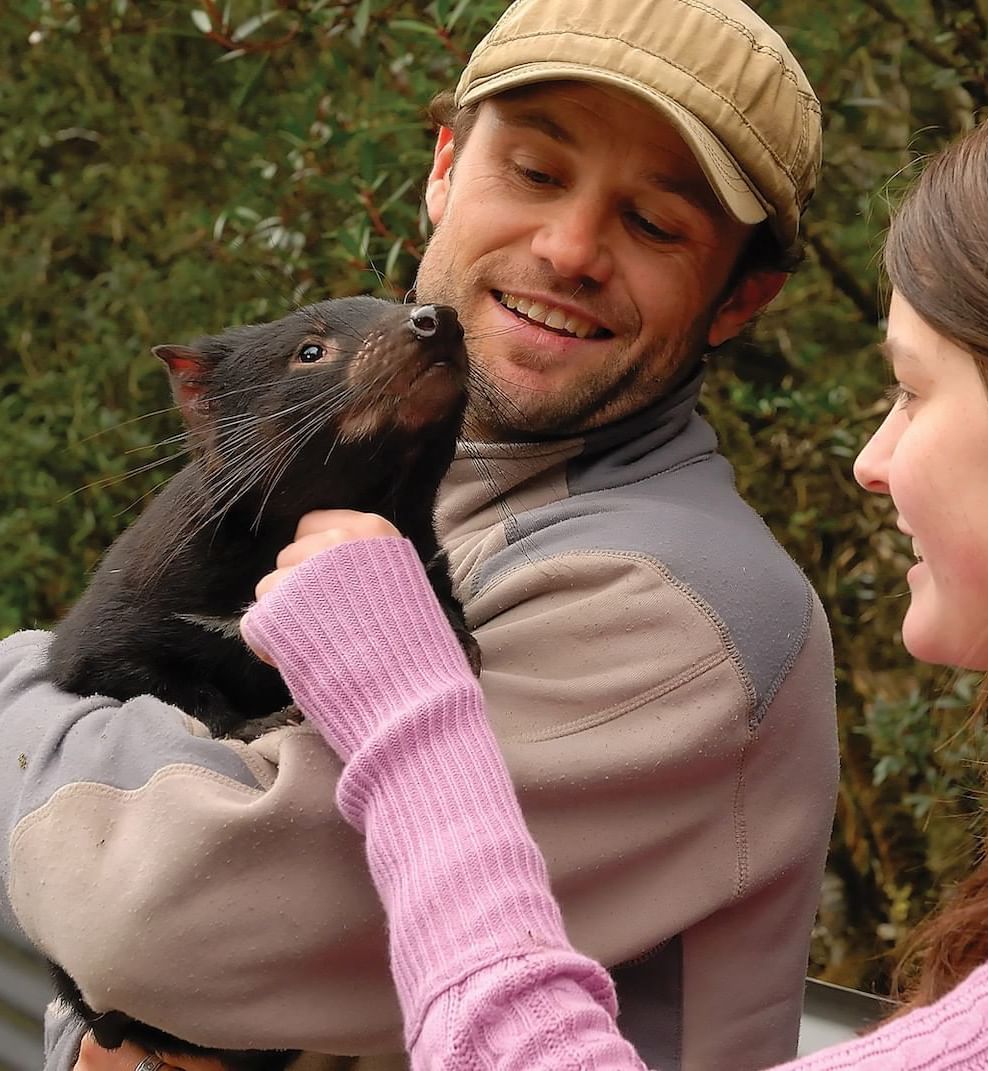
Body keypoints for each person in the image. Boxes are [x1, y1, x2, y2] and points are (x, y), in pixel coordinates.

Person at [91, 55, 988, 1070]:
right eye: (537, 171)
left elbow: (155, 915)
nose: (869, 459)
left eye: (909, 390)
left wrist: (406, 700)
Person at [0, 2, 838, 1069]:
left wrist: (20, 693)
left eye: (656, 225)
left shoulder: (681, 611)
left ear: (739, 300)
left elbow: (159, 915)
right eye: (536, 172)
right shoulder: (397, 488)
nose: (570, 248)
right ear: (443, 166)